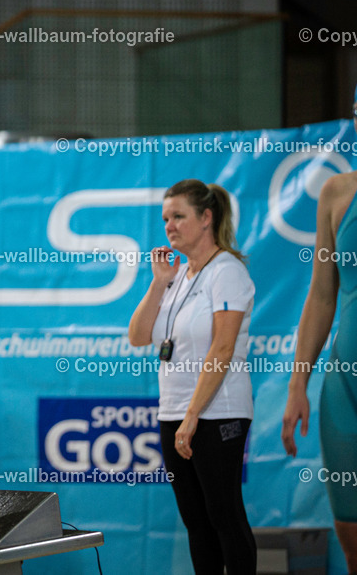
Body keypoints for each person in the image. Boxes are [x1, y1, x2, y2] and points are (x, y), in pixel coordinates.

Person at [128, 179, 256, 574]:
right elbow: (138, 336)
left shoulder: (227, 271)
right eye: (166, 218)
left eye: (179, 216)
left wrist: (193, 415)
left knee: (224, 515)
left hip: (217, 413)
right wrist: (158, 281)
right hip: (174, 411)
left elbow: (222, 348)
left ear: (206, 218)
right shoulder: (179, 275)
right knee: (196, 523)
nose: (169, 225)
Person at [281, 91, 357, 574]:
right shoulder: (337, 192)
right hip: (344, 389)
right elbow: (322, 296)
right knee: (353, 540)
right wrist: (296, 384)